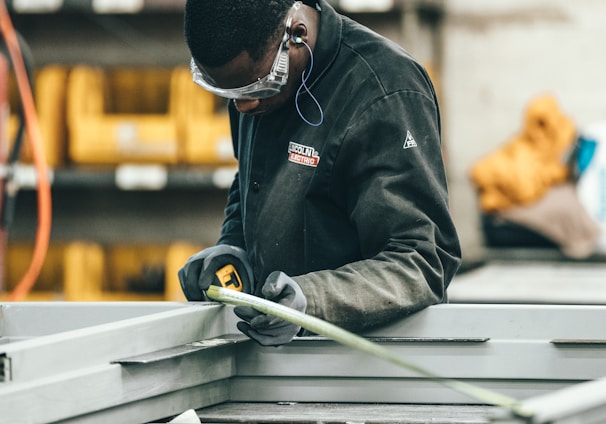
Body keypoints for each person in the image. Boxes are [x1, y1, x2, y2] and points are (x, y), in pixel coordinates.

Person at [179, 0, 462, 346]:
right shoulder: (254, 79)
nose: (243, 106)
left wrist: (312, 301)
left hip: (368, 369)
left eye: (257, 88)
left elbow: (421, 262)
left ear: (296, 35)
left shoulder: (384, 91)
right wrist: (234, 251)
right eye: (232, 93)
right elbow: (252, 181)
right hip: (279, 364)